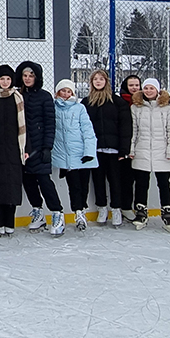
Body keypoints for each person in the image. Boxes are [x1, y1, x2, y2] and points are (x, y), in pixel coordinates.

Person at [14, 61, 64, 235]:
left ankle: (57, 213)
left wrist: (47, 147)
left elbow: (50, 123)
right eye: (25, 75)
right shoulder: (18, 95)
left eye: (31, 76)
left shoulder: (44, 96)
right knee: (28, 181)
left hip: (40, 147)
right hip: (22, 146)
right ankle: (38, 212)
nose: (27, 79)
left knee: (44, 181)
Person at [81, 69, 132, 227]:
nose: (98, 81)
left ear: (106, 81)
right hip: (96, 150)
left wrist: (124, 149)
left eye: (101, 79)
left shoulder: (117, 102)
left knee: (115, 181)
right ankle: (102, 208)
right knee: (98, 181)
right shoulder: (86, 102)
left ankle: (116, 209)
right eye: (95, 79)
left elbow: (126, 127)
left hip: (114, 150)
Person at [0, 65, 28, 237]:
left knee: (11, 187)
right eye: (2, 79)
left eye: (8, 79)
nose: (5, 82)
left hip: (13, 148)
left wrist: (25, 148)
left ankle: (10, 222)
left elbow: (23, 125)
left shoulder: (17, 97)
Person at [129, 78, 170, 231]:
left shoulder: (168, 108)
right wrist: (132, 149)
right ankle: (141, 212)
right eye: (146, 88)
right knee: (141, 183)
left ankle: (167, 212)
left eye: (152, 88)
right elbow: (133, 131)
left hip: (162, 151)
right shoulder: (136, 107)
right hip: (142, 150)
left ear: (157, 90)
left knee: (164, 183)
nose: (148, 91)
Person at [52, 79, 99, 231]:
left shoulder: (80, 108)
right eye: (63, 91)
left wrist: (89, 152)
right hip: (65, 155)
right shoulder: (53, 108)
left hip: (81, 153)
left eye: (69, 91)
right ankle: (77, 212)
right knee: (74, 186)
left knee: (84, 185)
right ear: (58, 92)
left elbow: (87, 130)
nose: (65, 94)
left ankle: (82, 210)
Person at [117, 74, 142, 221]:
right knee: (125, 179)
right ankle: (124, 207)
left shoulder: (144, 102)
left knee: (140, 179)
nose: (134, 88)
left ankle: (139, 207)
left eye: (136, 85)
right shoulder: (120, 102)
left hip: (141, 146)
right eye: (131, 85)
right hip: (125, 147)